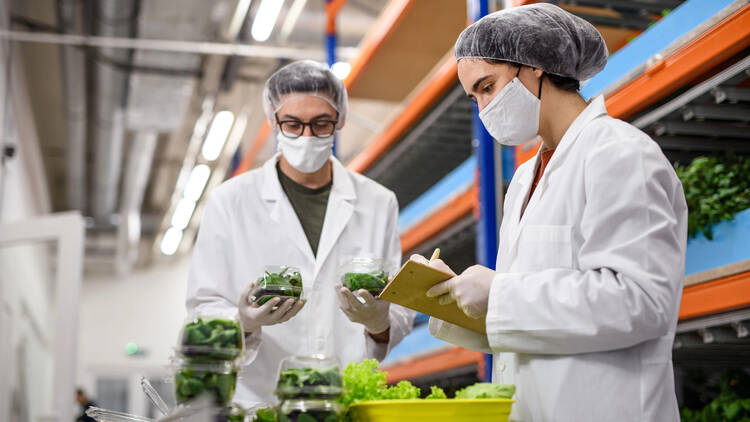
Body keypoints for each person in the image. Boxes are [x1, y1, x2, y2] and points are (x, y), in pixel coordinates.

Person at [411, 4, 688, 422]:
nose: (484, 108)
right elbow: (532, 321)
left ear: (534, 66)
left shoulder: (620, 153)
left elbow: (640, 302)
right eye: (474, 98)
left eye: (487, 87)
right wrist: (453, 300)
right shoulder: (524, 178)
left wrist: (499, 294)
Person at [186, 60, 415, 408]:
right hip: (260, 403)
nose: (307, 137)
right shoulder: (230, 202)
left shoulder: (378, 202)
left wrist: (378, 321)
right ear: (274, 121)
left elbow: (396, 310)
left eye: (321, 124)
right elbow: (203, 308)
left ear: (338, 121)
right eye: (293, 124)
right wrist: (243, 323)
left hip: (344, 399)